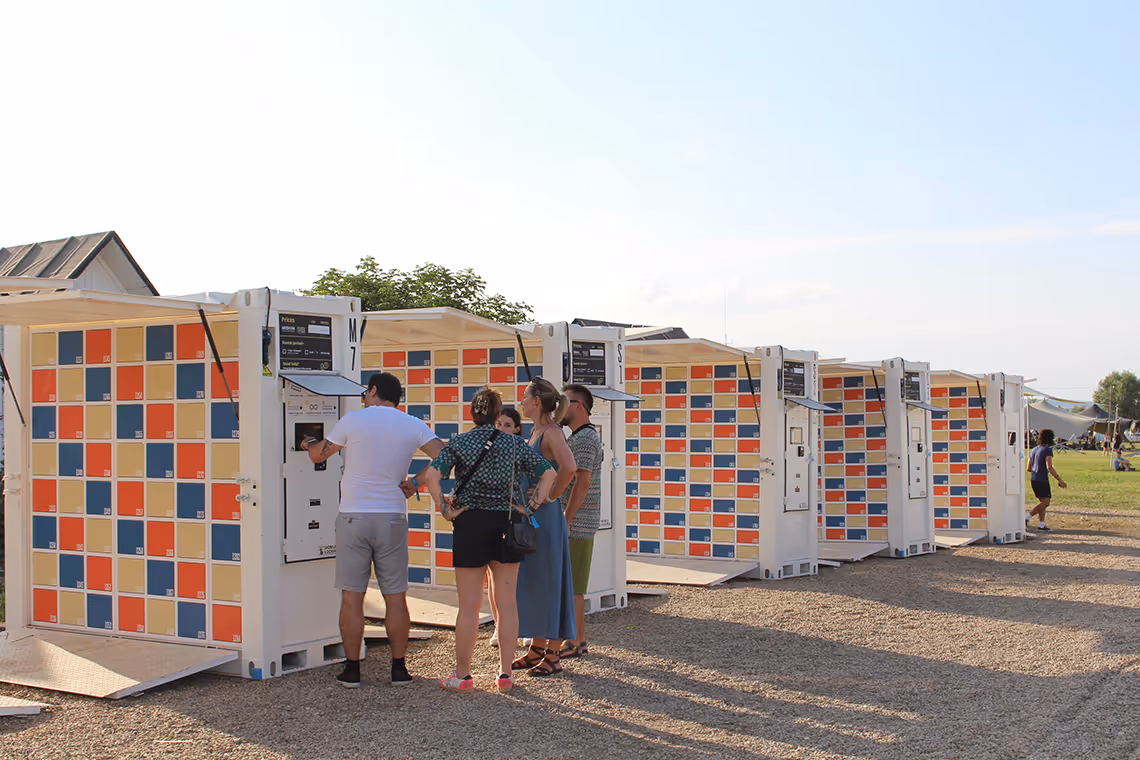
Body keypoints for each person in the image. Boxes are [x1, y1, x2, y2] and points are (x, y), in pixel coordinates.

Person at [302, 372, 443, 688]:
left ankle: (352, 670)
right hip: (392, 515)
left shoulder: (354, 420)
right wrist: (416, 481)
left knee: (353, 597)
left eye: (365, 391)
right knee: (396, 596)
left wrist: (309, 440)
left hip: (354, 516)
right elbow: (447, 457)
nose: (363, 396)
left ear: (374, 390)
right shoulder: (413, 424)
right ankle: (399, 669)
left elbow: (318, 454)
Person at [419, 388, 557, 693]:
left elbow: (431, 476)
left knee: (468, 606)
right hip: (507, 522)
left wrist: (445, 509)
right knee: (507, 604)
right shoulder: (514, 443)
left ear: (472, 412)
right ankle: (505, 675)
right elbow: (548, 474)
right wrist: (530, 506)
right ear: (497, 414)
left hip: (470, 523)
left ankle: (463, 675)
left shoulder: (459, 442)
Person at [511, 377, 577, 677]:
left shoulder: (551, 432)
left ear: (536, 401)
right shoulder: (538, 431)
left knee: (549, 583)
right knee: (537, 581)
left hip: (546, 519)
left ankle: (552, 654)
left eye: (524, 397)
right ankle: (537, 648)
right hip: (535, 519)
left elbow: (569, 466)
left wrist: (550, 496)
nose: (520, 402)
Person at [555, 384, 604, 660]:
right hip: (579, 520)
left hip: (579, 521)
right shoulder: (581, 436)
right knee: (574, 584)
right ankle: (579, 640)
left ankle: (573, 642)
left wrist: (566, 518)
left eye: (565, 401)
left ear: (579, 406)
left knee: (573, 587)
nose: (560, 406)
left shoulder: (584, 439)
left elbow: (582, 482)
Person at [487, 405, 524, 649]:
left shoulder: (522, 451)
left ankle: (522, 628)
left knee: (514, 580)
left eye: (507, 425)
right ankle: (498, 626)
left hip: (513, 519)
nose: (501, 429)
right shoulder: (485, 449)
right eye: (498, 424)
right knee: (491, 578)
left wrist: (529, 505)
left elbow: (545, 475)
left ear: (517, 429)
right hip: (488, 519)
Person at [1025, 428, 1067, 532]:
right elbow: (1049, 466)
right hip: (1042, 479)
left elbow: (1028, 467)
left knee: (1042, 502)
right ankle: (1027, 518)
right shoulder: (1047, 450)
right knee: (1046, 503)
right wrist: (1060, 480)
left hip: (1034, 479)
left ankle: (1042, 524)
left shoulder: (1034, 449)